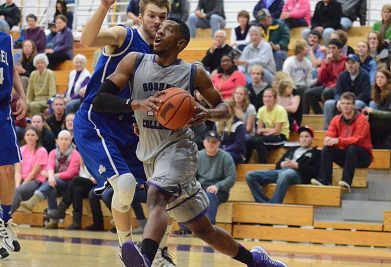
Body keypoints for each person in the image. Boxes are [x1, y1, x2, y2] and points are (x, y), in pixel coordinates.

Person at [91, 18, 287, 267]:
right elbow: (100, 101)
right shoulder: (135, 61)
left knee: (156, 196)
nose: (160, 32)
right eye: (159, 29)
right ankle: (256, 261)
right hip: (150, 153)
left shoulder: (193, 72)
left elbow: (223, 107)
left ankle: (146, 258)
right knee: (204, 229)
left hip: (179, 150)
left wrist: (208, 113)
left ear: (181, 42)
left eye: (168, 30)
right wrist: (136, 104)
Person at [75, 0, 176, 264]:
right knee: (126, 184)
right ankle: (126, 247)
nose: (156, 21)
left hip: (129, 124)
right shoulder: (124, 35)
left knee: (163, 190)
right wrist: (105, 6)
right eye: (151, 15)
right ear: (140, 17)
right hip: (96, 118)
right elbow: (87, 40)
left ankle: (160, 254)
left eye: (161, 17)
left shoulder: (161, 55)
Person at [0, 31, 27, 260]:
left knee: (8, 169)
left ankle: (5, 220)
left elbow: (13, 70)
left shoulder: (5, 39)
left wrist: (23, 96)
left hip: (2, 111)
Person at [19, 130, 81, 229]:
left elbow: (70, 173)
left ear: (70, 141)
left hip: (69, 186)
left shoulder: (75, 154)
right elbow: (50, 166)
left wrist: (52, 176)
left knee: (52, 182)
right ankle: (53, 220)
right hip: (54, 183)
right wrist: (51, 176)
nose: (63, 141)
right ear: (57, 141)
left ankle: (34, 200)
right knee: (52, 188)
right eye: (61, 139)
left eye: (66, 139)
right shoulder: (53, 152)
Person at [312, 92, 372, 192]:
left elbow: (358, 139)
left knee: (352, 147)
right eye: (343, 103)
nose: (345, 106)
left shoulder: (362, 120)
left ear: (353, 105)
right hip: (346, 155)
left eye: (348, 103)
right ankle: (324, 180)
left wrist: (338, 141)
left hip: (362, 156)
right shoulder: (336, 119)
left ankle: (346, 182)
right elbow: (330, 132)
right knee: (327, 148)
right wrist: (328, 139)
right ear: (340, 105)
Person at [246, 126, 320, 203]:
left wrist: (297, 166)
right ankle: (263, 202)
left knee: (287, 173)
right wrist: (281, 164)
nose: (303, 139)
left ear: (312, 139)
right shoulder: (293, 149)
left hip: (297, 174)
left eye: (306, 136)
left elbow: (315, 171)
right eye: (301, 136)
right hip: (281, 171)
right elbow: (277, 165)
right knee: (250, 175)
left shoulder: (316, 153)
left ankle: (274, 203)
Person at [323, 54, 371, 129]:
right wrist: (338, 100)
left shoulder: (365, 75)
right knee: (328, 104)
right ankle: (327, 130)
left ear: (358, 64)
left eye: (352, 63)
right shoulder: (342, 75)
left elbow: (365, 93)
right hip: (344, 101)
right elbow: (337, 91)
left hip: (359, 101)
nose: (350, 65)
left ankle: (353, 128)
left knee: (357, 104)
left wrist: (352, 102)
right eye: (348, 63)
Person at [47, 159, 97, 230]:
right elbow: (83, 174)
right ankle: (76, 223)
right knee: (77, 190)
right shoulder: (83, 156)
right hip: (86, 183)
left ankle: (61, 209)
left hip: (98, 183)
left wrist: (94, 177)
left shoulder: (96, 155)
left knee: (76, 180)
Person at [246, 89, 289, 164]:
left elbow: (277, 131)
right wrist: (267, 131)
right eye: (265, 97)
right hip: (266, 136)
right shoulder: (261, 110)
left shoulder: (280, 110)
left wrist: (264, 130)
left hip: (281, 137)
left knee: (259, 141)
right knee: (248, 140)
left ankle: (263, 165)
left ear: (275, 99)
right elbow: (259, 130)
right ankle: (245, 163)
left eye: (269, 97)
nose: (267, 99)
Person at [303, 39, 346, 114]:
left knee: (327, 92)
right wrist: (326, 64)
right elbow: (320, 79)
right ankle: (320, 114)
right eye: (329, 48)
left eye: (333, 48)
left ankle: (331, 114)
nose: (331, 50)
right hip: (327, 86)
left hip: (339, 87)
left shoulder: (345, 61)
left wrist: (330, 86)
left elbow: (342, 80)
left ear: (340, 50)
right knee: (309, 93)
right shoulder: (326, 60)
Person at [362, 69, 391, 153]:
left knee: (371, 125)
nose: (379, 79)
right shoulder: (379, 92)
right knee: (365, 121)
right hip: (385, 122)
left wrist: (373, 111)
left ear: (388, 79)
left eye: (382, 77)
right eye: (377, 77)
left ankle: (373, 151)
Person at [12, 127, 48, 213]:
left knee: (18, 191)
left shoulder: (41, 151)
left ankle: (5, 218)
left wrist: (20, 186)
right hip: (21, 180)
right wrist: (17, 185)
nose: (30, 137)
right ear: (24, 137)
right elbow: (17, 171)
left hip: (35, 181)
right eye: (28, 135)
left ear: (37, 137)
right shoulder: (20, 150)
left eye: (33, 135)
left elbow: (33, 173)